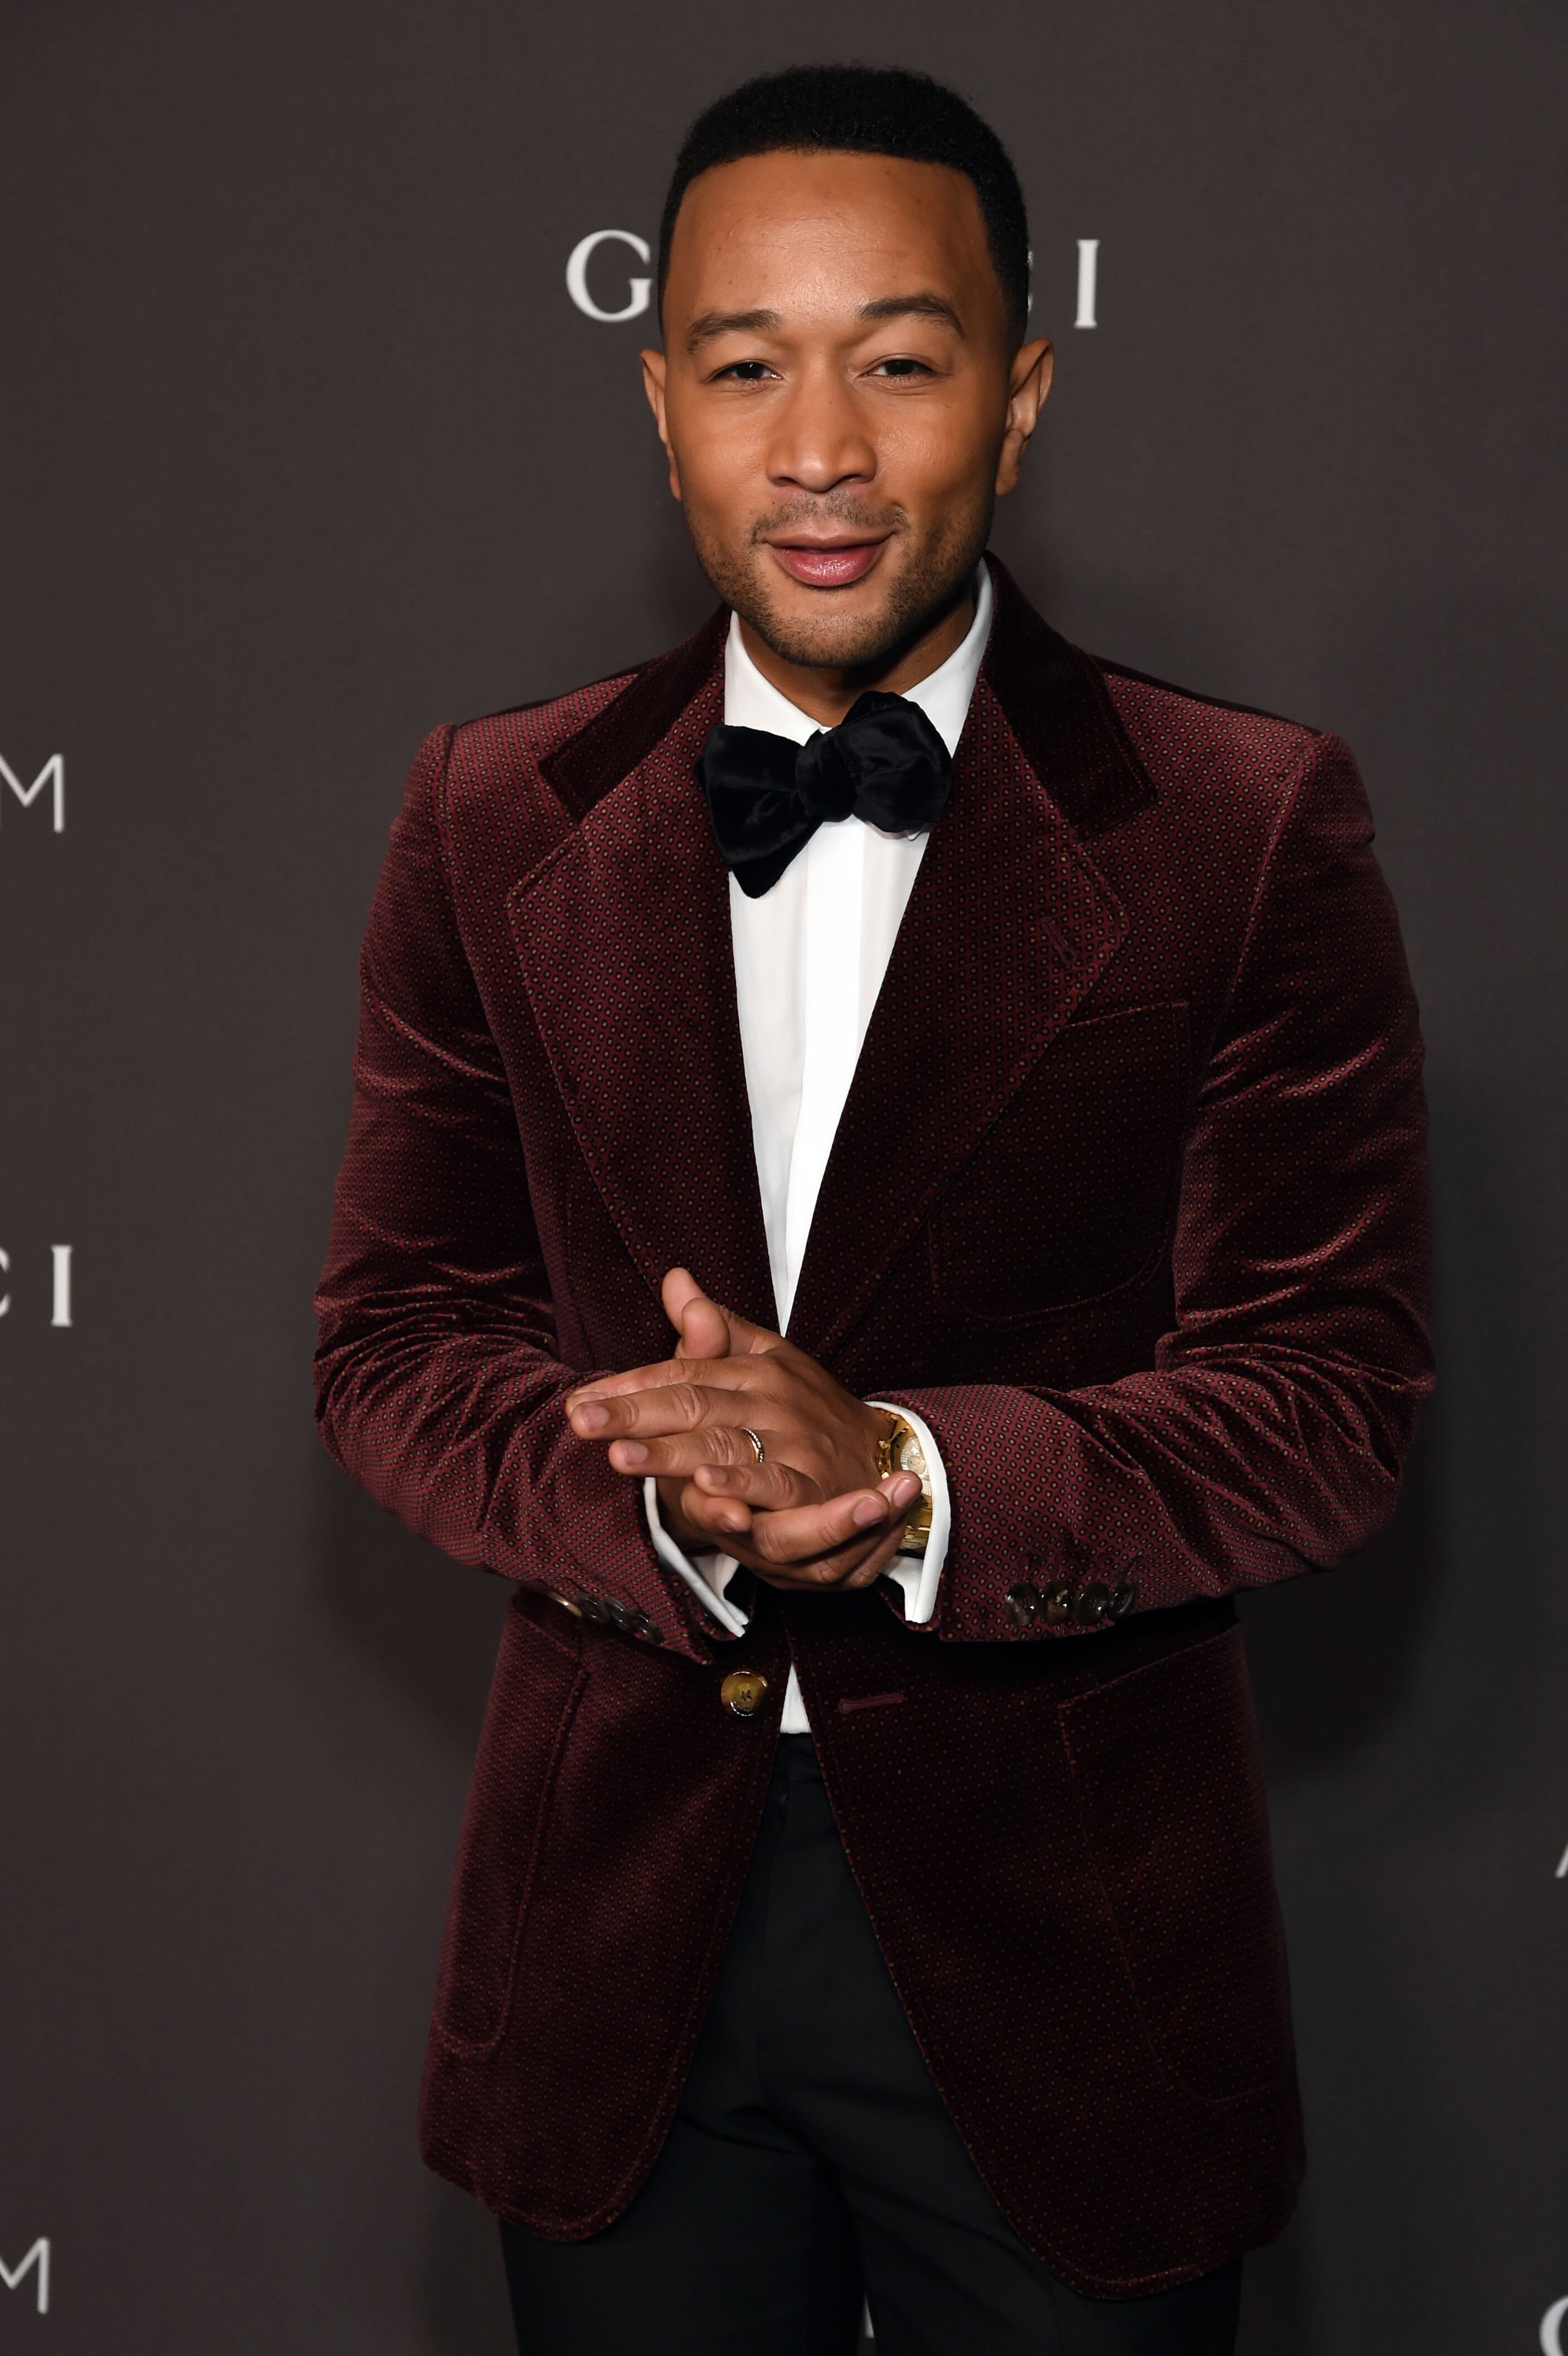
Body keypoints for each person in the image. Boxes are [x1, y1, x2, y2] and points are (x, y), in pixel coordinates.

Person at [314, 63, 1432, 2356]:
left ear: (1016, 395)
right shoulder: (482, 812)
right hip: (618, 1954)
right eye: (744, 365)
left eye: (899, 359)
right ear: (660, 401)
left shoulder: (1240, 824)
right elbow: (392, 1340)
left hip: (1070, 1958)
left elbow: (1324, 1400)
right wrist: (674, 1487)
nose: (817, 445)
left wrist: (907, 1475)